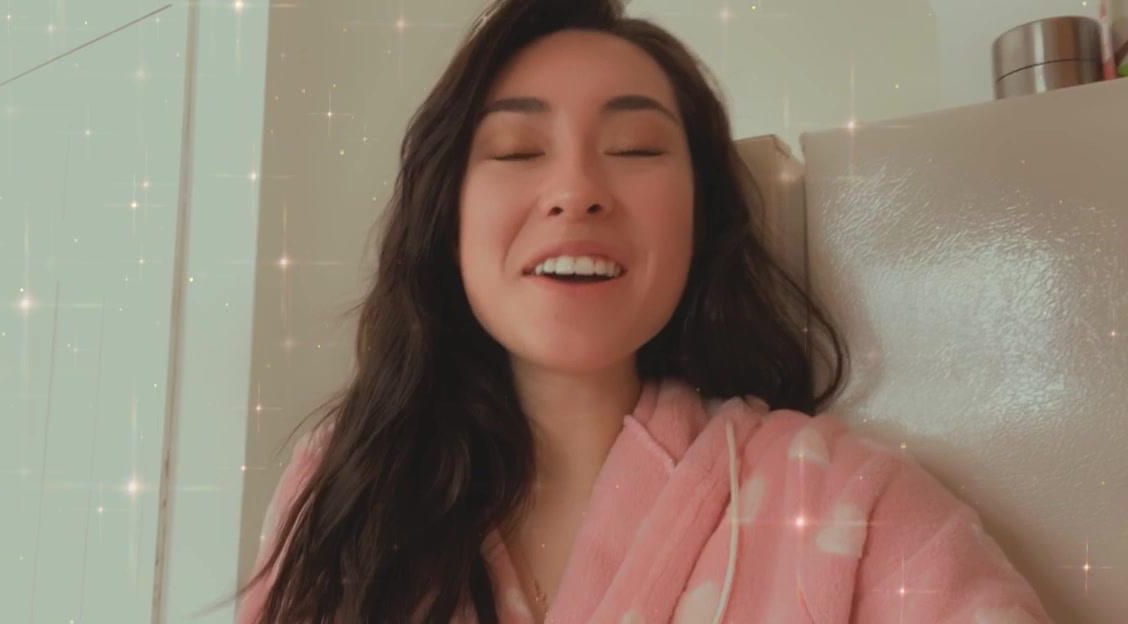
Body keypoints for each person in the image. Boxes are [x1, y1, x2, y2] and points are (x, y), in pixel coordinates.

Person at [235, 0, 1050, 622]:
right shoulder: (343, 486)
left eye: (634, 149)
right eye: (518, 151)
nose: (576, 191)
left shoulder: (851, 504)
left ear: (701, 217)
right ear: (448, 222)